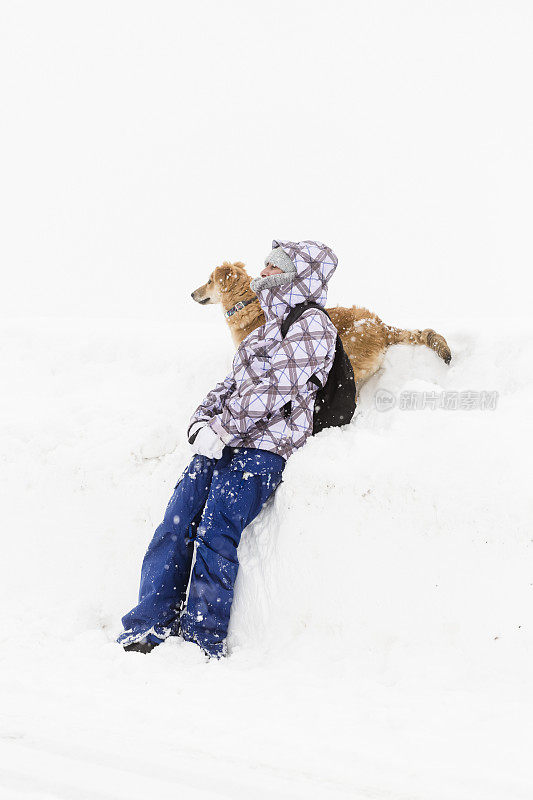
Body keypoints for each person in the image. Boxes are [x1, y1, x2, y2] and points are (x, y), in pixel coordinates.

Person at [117, 240, 339, 657]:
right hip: (224, 440)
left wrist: (222, 427)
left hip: (264, 450)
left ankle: (202, 636)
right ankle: (149, 622)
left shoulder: (314, 326)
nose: (265, 272)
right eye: (268, 266)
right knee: (176, 521)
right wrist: (201, 422)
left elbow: (275, 391)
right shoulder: (267, 325)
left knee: (216, 528)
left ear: (299, 274)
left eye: (275, 267)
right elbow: (232, 383)